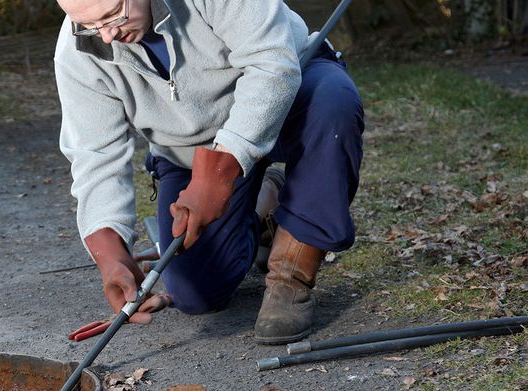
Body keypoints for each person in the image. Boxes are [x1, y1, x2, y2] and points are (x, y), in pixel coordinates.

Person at [54, 0, 364, 344]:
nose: (108, 35)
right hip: (192, 151)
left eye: (113, 16)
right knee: (195, 292)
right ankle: (264, 206)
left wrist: (219, 173)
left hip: (291, 94)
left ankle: (290, 277)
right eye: (90, 25)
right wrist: (110, 252)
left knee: (333, 103)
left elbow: (271, 64)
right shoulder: (79, 52)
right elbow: (95, 154)